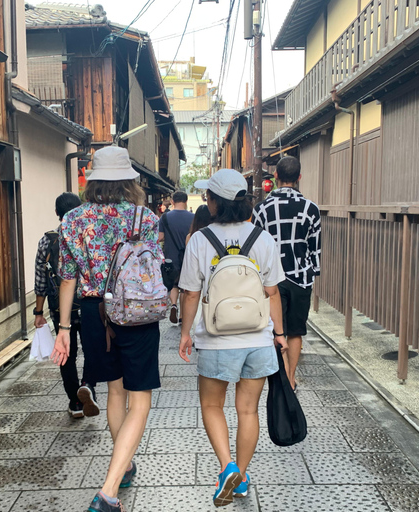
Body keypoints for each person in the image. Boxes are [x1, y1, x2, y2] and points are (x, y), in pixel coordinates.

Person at [51, 146, 162, 512]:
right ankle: (108, 492)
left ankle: (123, 463)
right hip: (136, 313)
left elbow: (67, 278)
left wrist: (64, 328)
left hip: (95, 313)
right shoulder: (144, 218)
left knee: (116, 393)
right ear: (129, 179)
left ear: (92, 179)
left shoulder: (72, 220)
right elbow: (150, 268)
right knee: (140, 400)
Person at [178, 169, 287, 507]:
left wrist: (185, 333)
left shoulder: (200, 240)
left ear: (214, 202)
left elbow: (191, 294)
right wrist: (280, 334)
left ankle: (227, 468)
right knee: (248, 410)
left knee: (212, 405)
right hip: (257, 337)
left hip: (216, 338)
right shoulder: (263, 239)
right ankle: (241, 475)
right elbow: (273, 294)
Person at [252, 156, 321, 389]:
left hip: (272, 279)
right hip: (301, 276)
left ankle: (281, 377)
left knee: (275, 330)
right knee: (295, 331)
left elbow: (256, 245)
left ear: (277, 177)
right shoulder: (311, 209)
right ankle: (291, 378)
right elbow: (315, 246)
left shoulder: (260, 209)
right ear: (299, 178)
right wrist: (313, 271)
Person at [33, 193, 100, 418]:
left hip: (61, 309)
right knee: (92, 348)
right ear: (79, 210)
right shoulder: (89, 235)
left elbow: (40, 280)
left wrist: (38, 312)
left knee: (66, 354)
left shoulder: (47, 240)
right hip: (90, 304)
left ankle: (75, 401)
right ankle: (88, 385)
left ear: (57, 213)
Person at [159, 190, 194, 324]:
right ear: (186, 201)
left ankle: (173, 305)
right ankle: (182, 316)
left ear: (172, 202)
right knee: (184, 287)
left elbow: (160, 237)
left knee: (173, 284)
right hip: (187, 256)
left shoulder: (165, 217)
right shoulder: (193, 217)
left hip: (170, 256)